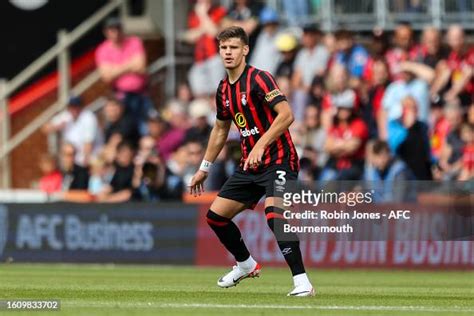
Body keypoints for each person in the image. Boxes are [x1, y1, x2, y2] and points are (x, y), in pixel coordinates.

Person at [188, 26, 313, 296]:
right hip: (251, 164)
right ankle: (246, 264)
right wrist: (204, 168)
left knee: (274, 215)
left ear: (245, 50)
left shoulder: (260, 79)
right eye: (223, 48)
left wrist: (261, 143)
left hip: (280, 160)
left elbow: (286, 115)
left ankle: (302, 281)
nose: (228, 53)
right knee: (216, 217)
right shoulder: (223, 90)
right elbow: (220, 129)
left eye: (233, 47)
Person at [95, 17, 152, 135]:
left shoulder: (134, 41)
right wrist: (130, 64)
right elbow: (106, 77)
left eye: (117, 29)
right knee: (121, 130)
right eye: (111, 30)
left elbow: (141, 66)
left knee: (145, 128)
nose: (115, 32)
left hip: (141, 94)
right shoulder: (102, 50)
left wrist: (115, 69)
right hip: (120, 97)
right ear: (106, 32)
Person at [43, 96, 101, 167]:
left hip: (91, 157)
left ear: (81, 107)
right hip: (72, 159)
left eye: (76, 107)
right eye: (71, 107)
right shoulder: (66, 116)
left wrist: (85, 161)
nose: (74, 109)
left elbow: (88, 143)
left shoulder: (88, 117)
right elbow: (45, 128)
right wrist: (56, 127)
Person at [184, 0, 227, 97]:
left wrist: (202, 14)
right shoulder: (193, 15)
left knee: (217, 92)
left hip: (215, 57)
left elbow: (213, 32)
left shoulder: (218, 11)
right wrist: (204, 28)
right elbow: (190, 37)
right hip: (199, 60)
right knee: (198, 91)